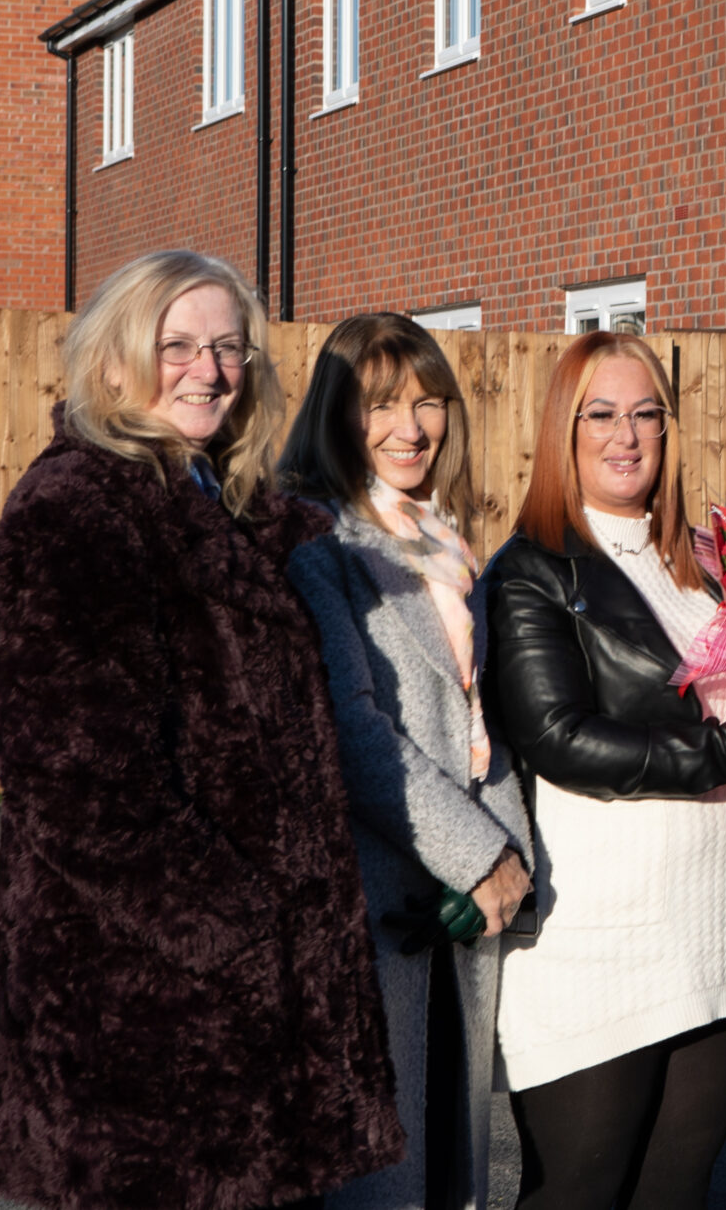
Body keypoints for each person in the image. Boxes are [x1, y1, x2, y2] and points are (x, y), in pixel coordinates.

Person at [0, 250, 401, 1210]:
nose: (207, 370)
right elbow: (79, 787)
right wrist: (246, 930)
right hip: (145, 1018)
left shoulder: (224, 506)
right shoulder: (76, 510)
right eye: (177, 345)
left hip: (242, 1017)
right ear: (116, 358)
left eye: (228, 348)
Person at [484, 330, 726, 1210]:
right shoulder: (534, 568)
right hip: (602, 939)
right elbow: (561, 737)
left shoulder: (714, 565)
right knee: (577, 1191)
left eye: (647, 413)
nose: (626, 434)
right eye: (600, 413)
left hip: (719, 929)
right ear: (563, 429)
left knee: (676, 1193)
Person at [280, 313, 535, 1210]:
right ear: (335, 414)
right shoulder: (321, 541)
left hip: (451, 910)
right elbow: (350, 728)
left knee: (442, 1169)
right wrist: (480, 853)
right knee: (377, 1180)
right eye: (382, 405)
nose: (411, 427)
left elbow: (478, 717)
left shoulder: (444, 537)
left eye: (429, 402)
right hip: (372, 894)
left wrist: (511, 856)